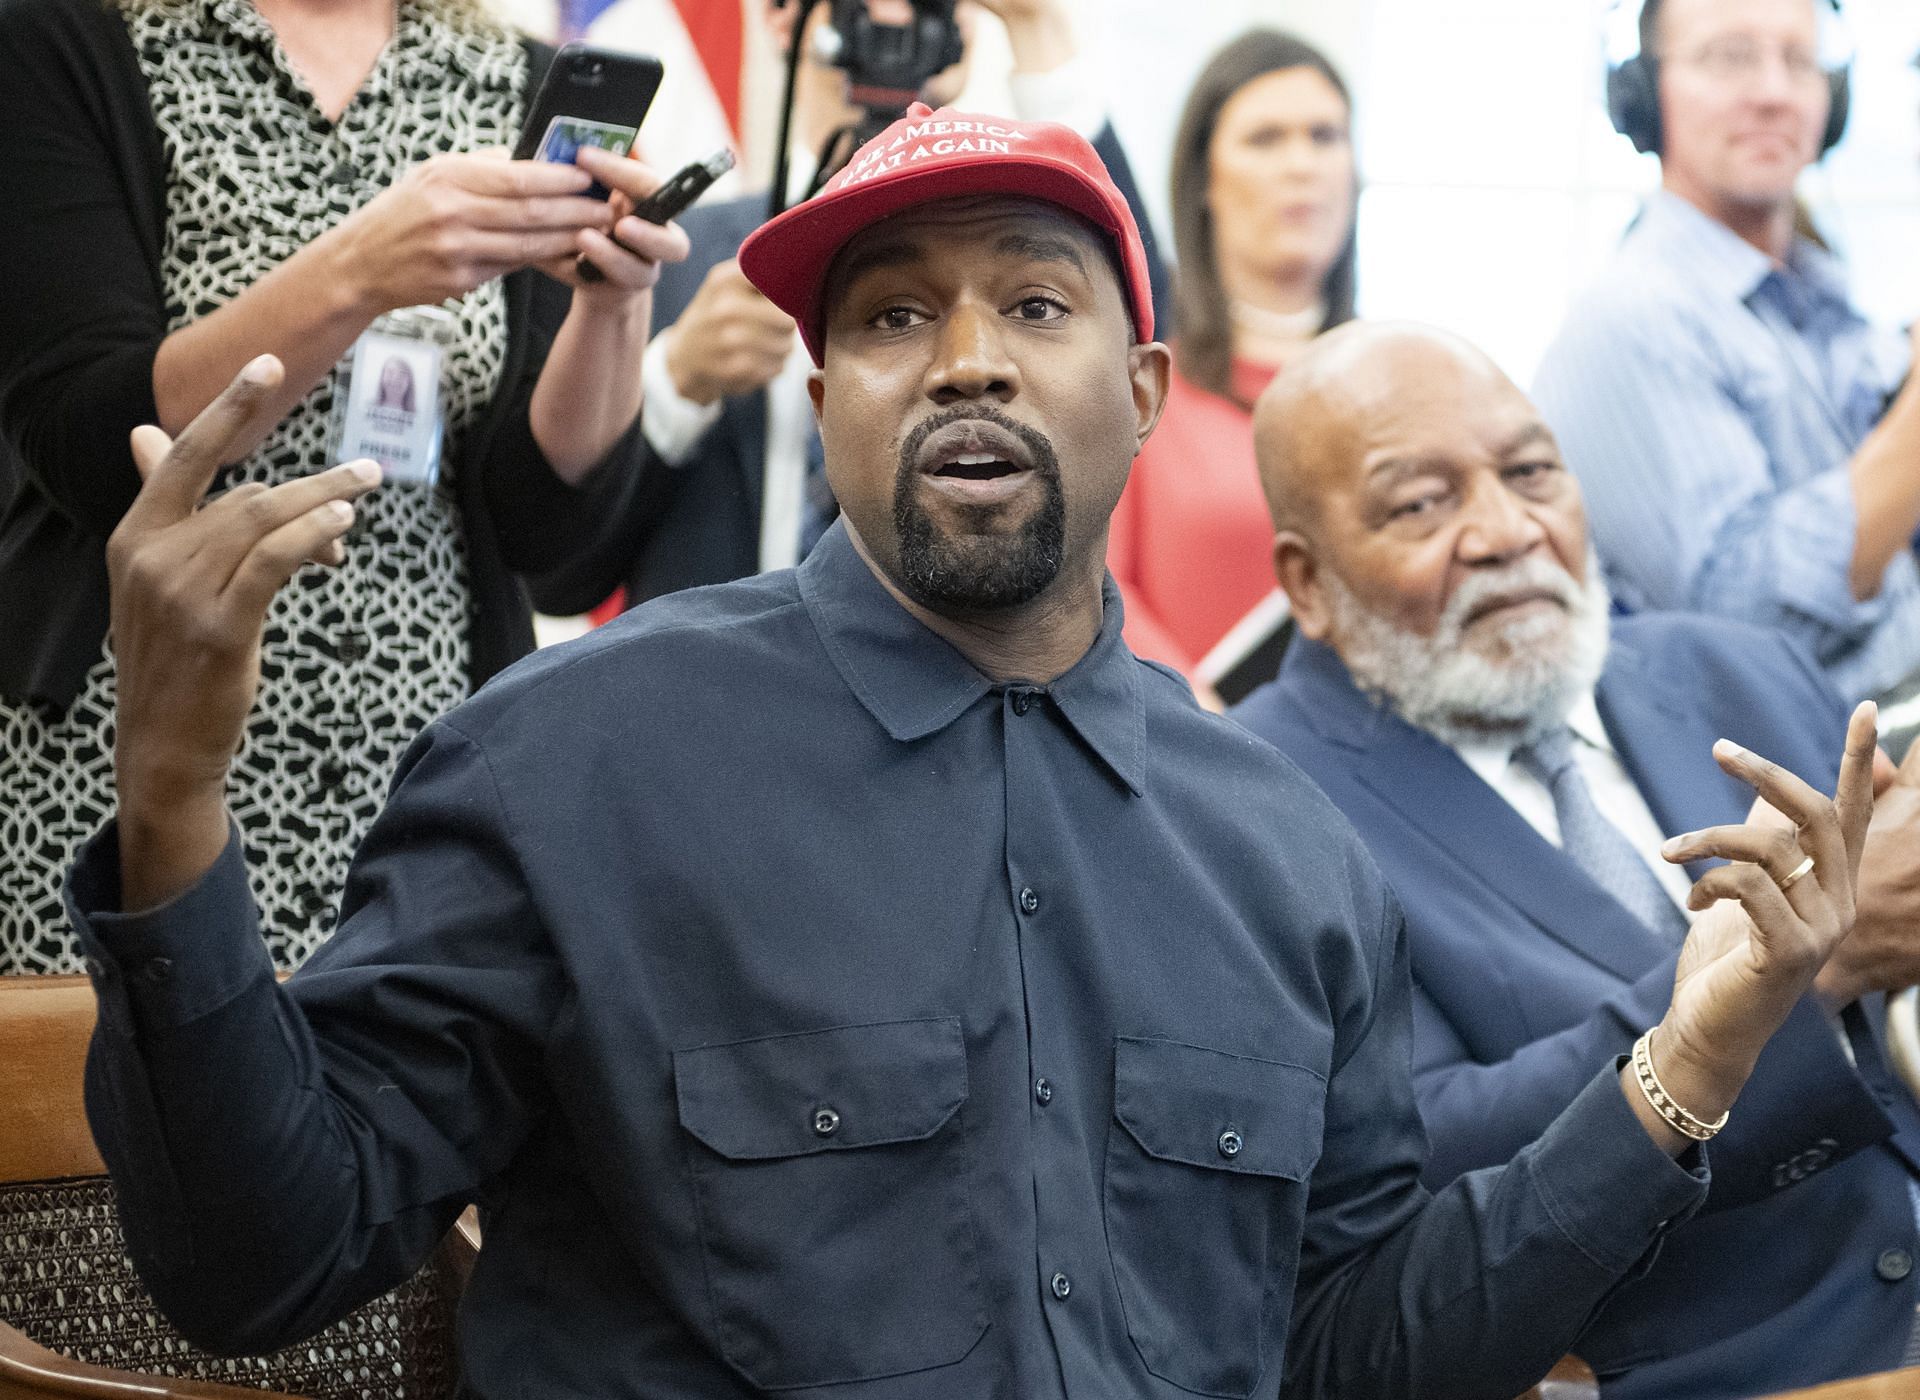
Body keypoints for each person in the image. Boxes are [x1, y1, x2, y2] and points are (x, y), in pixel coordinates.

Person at [69, 103, 1877, 1399]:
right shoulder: (572, 762)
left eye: (1031, 305)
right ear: (822, 387)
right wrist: (170, 805)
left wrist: (1693, 1057)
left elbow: (1353, 1347)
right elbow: (261, 1268)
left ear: (1146, 394)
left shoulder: (1281, 843)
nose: (963, 362)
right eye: (889, 318)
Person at [1234, 320, 1920, 1399]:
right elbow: (1420, 1166)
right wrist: (1805, 972)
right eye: (1422, 503)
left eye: (1533, 472)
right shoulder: (1255, 804)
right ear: (1307, 583)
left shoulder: (1733, 669)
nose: (1507, 532)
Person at [0, 0, 690, 974]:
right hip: (127, 763)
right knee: (110, 1110)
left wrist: (614, 304)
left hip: (423, 789)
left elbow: (546, 527)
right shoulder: (70, 43)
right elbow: (90, 441)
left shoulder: (509, 78)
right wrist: (359, 272)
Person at [523, 0, 1169, 618]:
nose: (892, 15)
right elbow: (558, 571)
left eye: (924, 0)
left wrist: (1039, 28)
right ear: (785, 18)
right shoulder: (672, 252)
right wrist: (677, 383)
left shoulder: (1033, 266)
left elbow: (1136, 332)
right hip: (719, 708)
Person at [1533, 0, 1920, 723]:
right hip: (1794, 799)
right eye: (1730, 57)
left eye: (1798, 61)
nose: (1774, 92)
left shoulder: (1823, 294)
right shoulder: (1632, 320)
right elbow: (1749, 632)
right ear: (1644, 96)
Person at [1107, 29, 1358, 696]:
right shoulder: (1142, 382)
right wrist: (1201, 721)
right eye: (1266, 139)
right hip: (1186, 752)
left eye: (1325, 136)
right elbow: (1093, 591)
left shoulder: (1402, 386)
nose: (1302, 163)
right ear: (1204, 182)